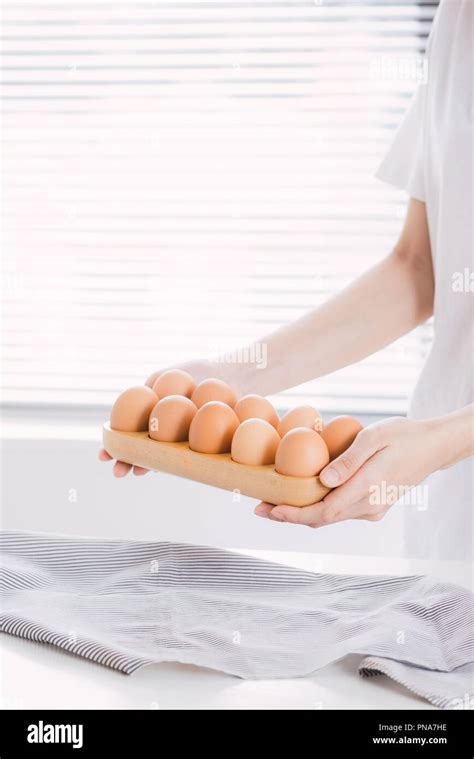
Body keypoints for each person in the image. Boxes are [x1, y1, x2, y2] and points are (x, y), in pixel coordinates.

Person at [100, 0, 473, 561]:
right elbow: (419, 270)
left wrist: (445, 440)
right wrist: (238, 375)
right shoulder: (456, 24)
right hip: (452, 519)